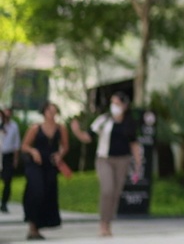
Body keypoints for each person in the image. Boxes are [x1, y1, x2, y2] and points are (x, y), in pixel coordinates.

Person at [71, 93, 143, 237]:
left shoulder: (129, 122)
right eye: (112, 103)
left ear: (124, 105)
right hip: (104, 160)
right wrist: (77, 131)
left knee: (116, 194)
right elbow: (88, 137)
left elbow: (134, 144)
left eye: (117, 103)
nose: (114, 106)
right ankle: (103, 224)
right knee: (107, 190)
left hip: (122, 160)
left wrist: (138, 164)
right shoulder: (103, 120)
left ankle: (108, 223)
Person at [21, 102, 68, 240]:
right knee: (36, 190)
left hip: (50, 164)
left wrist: (60, 155)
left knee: (48, 192)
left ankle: (37, 227)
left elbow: (65, 146)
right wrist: (33, 151)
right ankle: (32, 225)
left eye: (54, 111)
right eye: (49, 111)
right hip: (35, 164)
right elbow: (24, 145)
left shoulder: (61, 128)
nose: (52, 114)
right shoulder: (35, 128)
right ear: (44, 112)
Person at [1, 107, 18, 213]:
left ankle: (4, 203)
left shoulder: (14, 126)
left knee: (7, 180)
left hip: (8, 155)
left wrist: (15, 159)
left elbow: (16, 143)